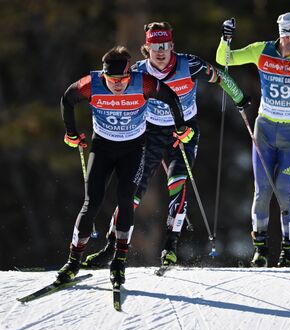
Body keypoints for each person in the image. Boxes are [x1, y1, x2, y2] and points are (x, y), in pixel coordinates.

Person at [82, 21, 249, 269]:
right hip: (149, 133)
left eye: (164, 45)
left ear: (172, 46)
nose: (160, 51)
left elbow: (220, 76)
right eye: (154, 46)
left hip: (183, 132)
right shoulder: (137, 71)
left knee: (177, 183)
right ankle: (111, 248)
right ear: (146, 48)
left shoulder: (188, 64)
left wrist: (240, 98)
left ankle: (171, 246)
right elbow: (110, 87)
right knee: (132, 191)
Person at [57, 45, 193, 285]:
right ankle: (73, 261)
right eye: (112, 79)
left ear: (130, 75)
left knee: (125, 199)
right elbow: (67, 98)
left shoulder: (144, 83)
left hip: (133, 149)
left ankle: (119, 260)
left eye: (123, 79)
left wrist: (180, 127)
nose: (118, 84)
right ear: (104, 75)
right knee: (92, 202)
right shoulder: (91, 84)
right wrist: (71, 133)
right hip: (103, 148)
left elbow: (171, 97)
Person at [217, 12, 290, 267]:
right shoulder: (262, 51)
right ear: (287, 35)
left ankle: (288, 252)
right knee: (262, 192)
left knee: (284, 192)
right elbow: (224, 59)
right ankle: (260, 250)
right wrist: (225, 40)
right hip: (265, 130)